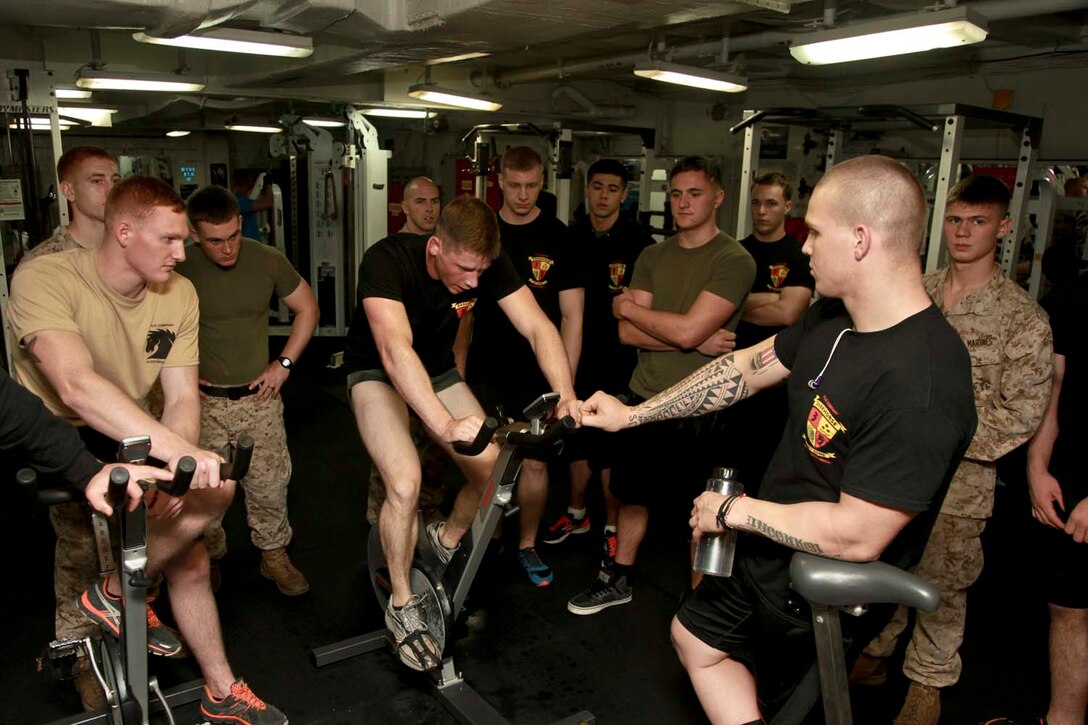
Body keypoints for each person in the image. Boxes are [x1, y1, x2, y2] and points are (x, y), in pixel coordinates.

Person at [578, 155, 978, 723]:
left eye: (815, 232)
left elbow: (857, 535)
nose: (804, 247)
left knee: (784, 703)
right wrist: (632, 416)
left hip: (818, 586)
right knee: (693, 638)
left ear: (861, 239)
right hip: (768, 547)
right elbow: (743, 369)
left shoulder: (926, 380)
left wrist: (735, 512)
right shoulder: (833, 317)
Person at [8, 176, 287, 724]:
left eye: (184, 240)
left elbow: (182, 394)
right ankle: (88, 643)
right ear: (125, 231)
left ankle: (217, 686)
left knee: (195, 534)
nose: (183, 254)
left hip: (132, 423)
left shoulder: (178, 292)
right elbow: (75, 386)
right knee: (85, 551)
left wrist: (173, 463)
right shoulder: (44, 277)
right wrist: (167, 455)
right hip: (58, 430)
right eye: (169, 241)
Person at [342, 194, 580, 671]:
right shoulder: (386, 261)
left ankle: (445, 539)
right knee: (405, 482)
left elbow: (538, 326)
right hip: (376, 373)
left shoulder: (485, 264)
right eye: (465, 270)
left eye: (481, 271)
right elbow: (394, 350)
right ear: (435, 247)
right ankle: (404, 603)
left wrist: (566, 393)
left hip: (437, 371)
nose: (473, 282)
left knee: (491, 472)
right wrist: (445, 424)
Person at [849, 175, 1053, 724]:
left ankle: (928, 686)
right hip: (890, 467)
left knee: (943, 583)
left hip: (961, 479)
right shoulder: (916, 291)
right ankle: (875, 649)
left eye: (978, 221)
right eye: (956, 220)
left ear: (1003, 228)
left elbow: (1022, 415)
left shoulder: (1022, 318)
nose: (963, 232)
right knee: (883, 561)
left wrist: (940, 442)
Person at [566, 155, 755, 616]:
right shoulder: (653, 255)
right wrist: (689, 336)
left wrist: (631, 310)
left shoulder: (734, 259)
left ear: (717, 196)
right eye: (676, 194)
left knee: (703, 515)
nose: (683, 203)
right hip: (646, 399)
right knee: (631, 497)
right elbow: (630, 335)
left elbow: (679, 329)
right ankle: (619, 578)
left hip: (704, 408)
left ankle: (699, 606)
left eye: (694, 193)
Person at [178, 185, 320, 597]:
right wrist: (179, 377)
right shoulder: (178, 268)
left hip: (258, 399)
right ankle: (211, 555)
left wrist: (285, 364)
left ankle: (273, 555)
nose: (227, 249)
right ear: (194, 235)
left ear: (241, 222)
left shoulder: (266, 260)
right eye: (215, 241)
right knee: (205, 490)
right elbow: (146, 329)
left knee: (270, 484)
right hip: (202, 403)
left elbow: (308, 309)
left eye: (233, 236)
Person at [463, 146, 584, 587]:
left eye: (532, 186)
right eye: (514, 185)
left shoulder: (559, 236)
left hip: (538, 369)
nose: (522, 194)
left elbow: (572, 317)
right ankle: (490, 540)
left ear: (542, 183)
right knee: (491, 461)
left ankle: (526, 546)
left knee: (534, 465)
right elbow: (465, 313)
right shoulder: (483, 233)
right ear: (499, 181)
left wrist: (565, 386)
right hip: (488, 365)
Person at [542, 159, 654, 567]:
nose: (603, 195)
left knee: (611, 450)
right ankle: (576, 515)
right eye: (597, 187)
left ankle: (610, 528)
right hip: (576, 357)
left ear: (624, 195)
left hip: (621, 361)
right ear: (587, 190)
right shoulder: (570, 239)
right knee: (576, 440)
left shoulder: (640, 243)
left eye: (612, 189)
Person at [721, 172, 814, 498]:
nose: (762, 210)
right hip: (733, 368)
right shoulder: (733, 252)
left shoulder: (799, 255)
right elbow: (714, 307)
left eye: (771, 203)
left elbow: (788, 313)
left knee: (767, 463)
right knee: (728, 462)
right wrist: (770, 298)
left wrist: (738, 303)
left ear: (787, 206)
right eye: (757, 202)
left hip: (778, 377)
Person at [367, 176, 450, 527]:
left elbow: (463, 317)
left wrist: (458, 364)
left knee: (437, 448)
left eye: (434, 201)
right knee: (395, 451)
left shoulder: (448, 252)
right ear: (405, 207)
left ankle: (429, 510)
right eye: (420, 202)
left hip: (437, 367)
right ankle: (381, 516)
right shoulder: (388, 254)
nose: (429, 208)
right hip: (394, 369)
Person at [1026, 270, 1088, 725]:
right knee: (1067, 609)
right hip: (1069, 481)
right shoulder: (1079, 289)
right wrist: (1037, 466)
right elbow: (1056, 383)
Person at [23, 145, 120, 262]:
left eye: (115, 181)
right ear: (69, 191)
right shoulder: (44, 262)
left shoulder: (134, 251)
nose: (111, 190)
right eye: (97, 181)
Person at [231, 168, 273, 241]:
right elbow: (269, 202)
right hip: (249, 247)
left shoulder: (242, 200)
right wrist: (268, 184)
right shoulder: (239, 202)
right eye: (251, 181)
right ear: (248, 183)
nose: (252, 183)